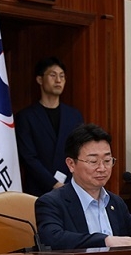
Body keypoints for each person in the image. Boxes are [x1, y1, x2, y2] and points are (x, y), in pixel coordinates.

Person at [36, 123, 131, 250]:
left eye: (107, 160)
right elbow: (52, 239)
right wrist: (105, 241)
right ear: (71, 164)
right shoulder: (52, 202)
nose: (102, 168)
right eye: (93, 161)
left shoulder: (115, 202)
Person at [15, 57, 84, 196]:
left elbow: (80, 151)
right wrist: (53, 183)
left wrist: (71, 183)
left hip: (71, 188)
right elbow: (28, 158)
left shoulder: (74, 116)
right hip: (38, 190)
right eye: (53, 75)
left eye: (62, 76)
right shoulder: (26, 117)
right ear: (40, 80)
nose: (58, 80)